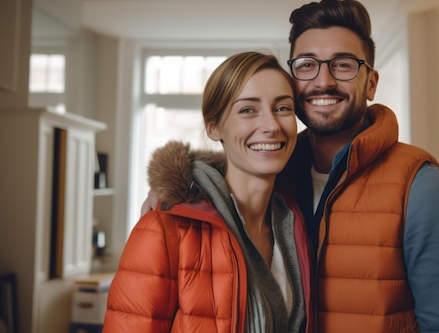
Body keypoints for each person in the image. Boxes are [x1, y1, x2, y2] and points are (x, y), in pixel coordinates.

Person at [144, 0, 439, 333]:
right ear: (292, 79)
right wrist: (177, 186)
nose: (323, 81)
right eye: (307, 64)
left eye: (343, 64)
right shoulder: (275, 174)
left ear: (371, 83)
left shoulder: (422, 189)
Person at [104, 51, 313, 333]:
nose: (271, 126)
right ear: (214, 128)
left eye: (283, 108)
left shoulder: (298, 224)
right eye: (248, 110)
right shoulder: (163, 229)